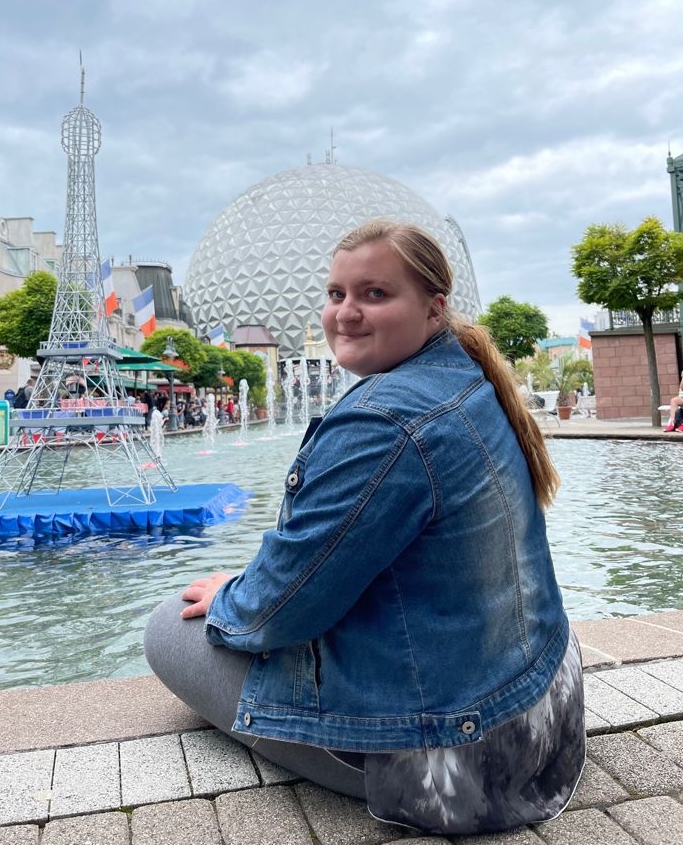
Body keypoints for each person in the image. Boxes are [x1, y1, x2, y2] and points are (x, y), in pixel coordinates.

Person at [144, 219, 585, 837]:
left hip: (464, 766)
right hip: (542, 710)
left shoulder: (383, 423)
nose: (346, 313)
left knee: (169, 626)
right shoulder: (468, 379)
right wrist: (252, 587)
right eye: (336, 295)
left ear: (433, 310)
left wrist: (238, 601)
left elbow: (284, 612)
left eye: (375, 294)